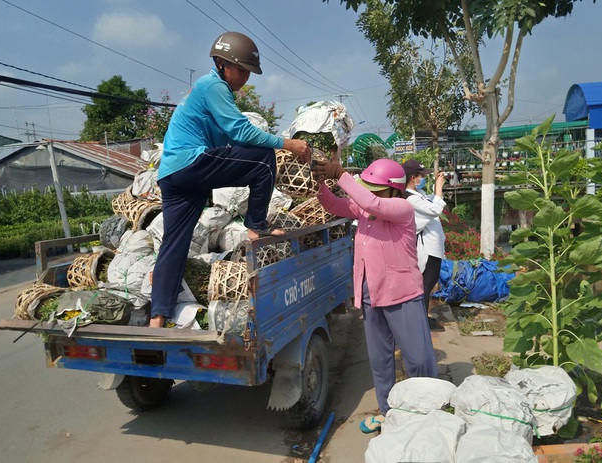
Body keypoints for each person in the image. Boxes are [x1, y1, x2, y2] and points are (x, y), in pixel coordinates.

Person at [150, 32, 312, 328]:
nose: (246, 77)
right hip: (191, 162)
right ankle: (256, 226)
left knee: (174, 244)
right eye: (241, 70)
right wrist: (287, 144)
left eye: (249, 72)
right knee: (264, 159)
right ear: (222, 63)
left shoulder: (208, 91)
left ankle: (157, 318)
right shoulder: (213, 85)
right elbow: (242, 133)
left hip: (173, 175)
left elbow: (230, 136)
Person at [312, 158, 438, 433]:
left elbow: (373, 204)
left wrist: (343, 175)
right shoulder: (366, 209)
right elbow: (336, 206)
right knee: (380, 362)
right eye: (367, 187)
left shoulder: (402, 208)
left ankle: (430, 412)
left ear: (394, 189)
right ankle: (388, 412)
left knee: (417, 358)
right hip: (371, 295)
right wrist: (320, 184)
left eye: (375, 188)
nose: (369, 192)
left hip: (402, 295)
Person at [401, 160, 447, 325]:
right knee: (426, 284)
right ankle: (420, 323)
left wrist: (436, 188)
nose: (423, 178)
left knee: (427, 283)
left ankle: (422, 319)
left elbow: (432, 202)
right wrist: (439, 188)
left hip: (432, 247)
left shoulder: (417, 194)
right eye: (422, 176)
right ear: (413, 178)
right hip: (426, 248)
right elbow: (435, 209)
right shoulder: (410, 199)